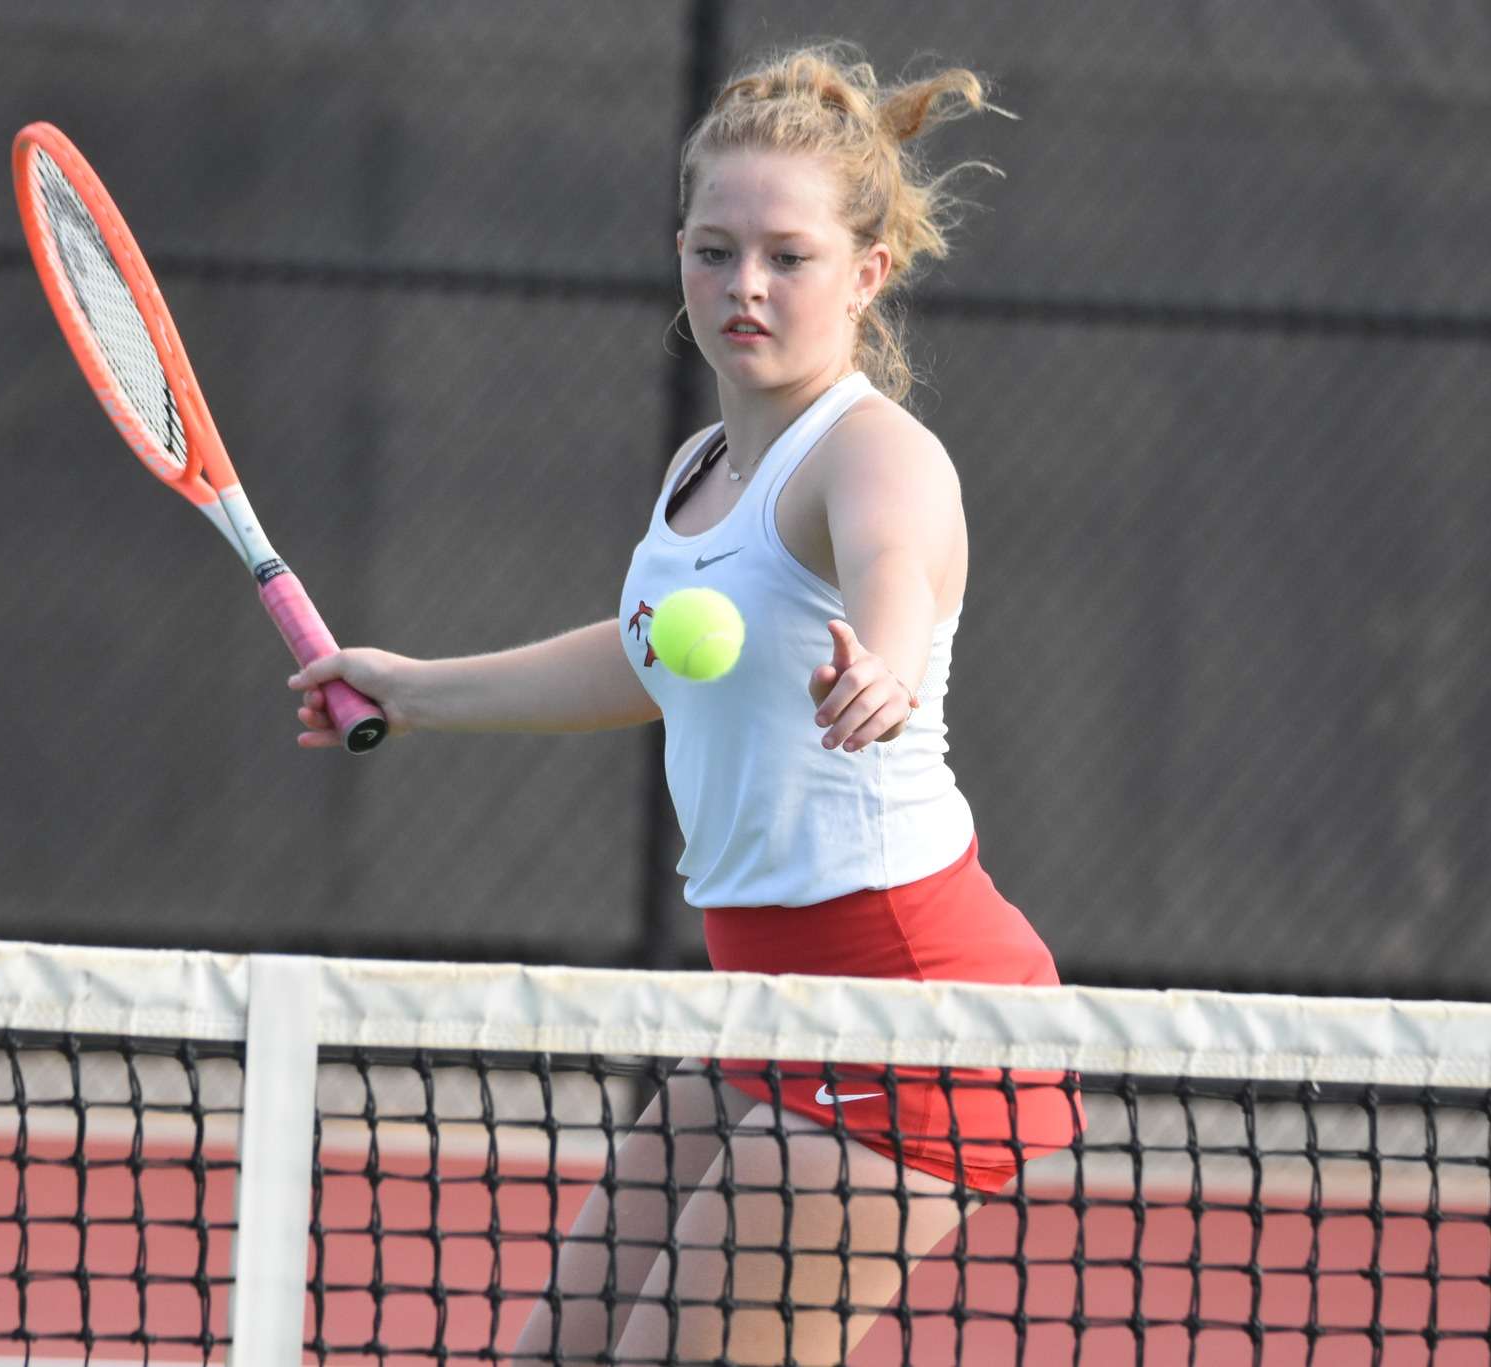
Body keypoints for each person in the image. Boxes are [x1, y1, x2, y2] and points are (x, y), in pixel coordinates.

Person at [288, 43, 1082, 1365]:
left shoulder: (876, 450)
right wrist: (418, 691)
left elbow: (899, 565)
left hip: (908, 1005)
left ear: (867, 270)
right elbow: (653, 655)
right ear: (679, 255)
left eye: (788, 254)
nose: (745, 287)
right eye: (715, 251)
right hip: (761, 995)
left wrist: (885, 657)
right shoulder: (705, 464)